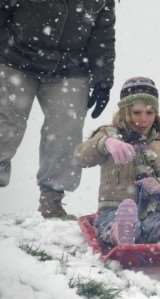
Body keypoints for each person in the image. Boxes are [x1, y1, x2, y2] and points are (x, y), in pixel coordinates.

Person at [0, 0, 116, 219]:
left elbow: (103, 33)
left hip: (70, 66)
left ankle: (52, 201)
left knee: (66, 133)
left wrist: (103, 79)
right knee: (5, 126)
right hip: (15, 58)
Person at [74, 77, 160, 245]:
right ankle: (120, 232)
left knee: (158, 225)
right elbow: (80, 156)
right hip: (114, 208)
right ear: (125, 112)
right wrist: (104, 144)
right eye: (137, 112)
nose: (143, 119)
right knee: (112, 223)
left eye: (149, 113)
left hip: (151, 210)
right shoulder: (109, 135)